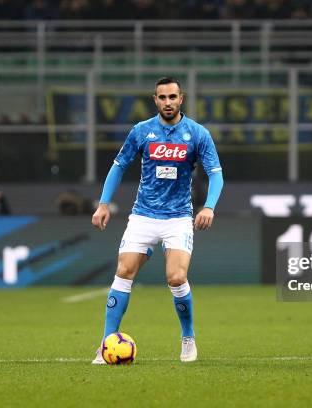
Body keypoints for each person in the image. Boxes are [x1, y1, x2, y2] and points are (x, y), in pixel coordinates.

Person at [91, 77, 224, 363]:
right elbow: (118, 167)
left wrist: (209, 207)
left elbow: (216, 174)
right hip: (143, 215)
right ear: (155, 100)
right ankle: (106, 344)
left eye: (172, 97)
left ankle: (188, 338)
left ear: (181, 98)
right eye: (162, 97)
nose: (167, 102)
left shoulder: (197, 134)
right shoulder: (141, 131)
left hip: (178, 218)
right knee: (124, 271)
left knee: (176, 277)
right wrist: (103, 204)